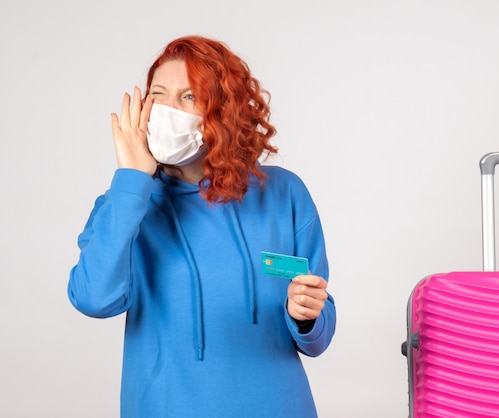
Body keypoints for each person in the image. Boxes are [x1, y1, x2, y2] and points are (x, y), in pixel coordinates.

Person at [67, 35, 336, 418]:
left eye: (188, 97)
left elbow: (318, 332)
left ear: (222, 111)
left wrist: (307, 316)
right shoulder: (125, 206)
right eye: (157, 95)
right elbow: (93, 299)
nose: (166, 109)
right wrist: (132, 181)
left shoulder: (283, 193)